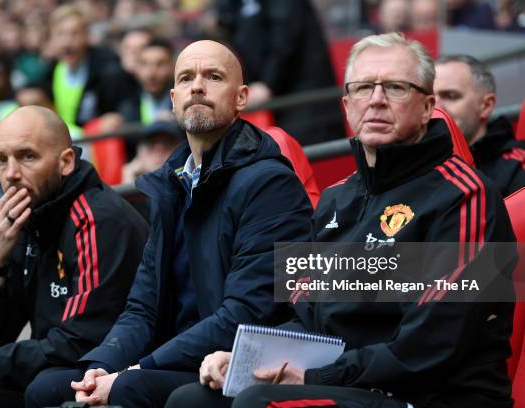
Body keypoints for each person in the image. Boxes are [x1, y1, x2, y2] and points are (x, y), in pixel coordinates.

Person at [167, 32, 516, 408]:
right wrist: (246, 357)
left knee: (259, 402)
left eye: (396, 88)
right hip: (352, 385)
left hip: (435, 395)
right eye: (364, 88)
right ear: (347, 105)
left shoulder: (466, 195)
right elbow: (306, 315)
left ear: (428, 106)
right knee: (192, 399)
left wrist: (318, 376)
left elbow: (432, 342)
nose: (377, 100)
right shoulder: (335, 199)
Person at [24, 39, 312, 408]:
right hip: (174, 358)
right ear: (173, 99)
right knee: (46, 388)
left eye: (213, 76)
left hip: (233, 363)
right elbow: (142, 307)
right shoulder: (170, 183)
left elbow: (245, 314)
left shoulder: (270, 183)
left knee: (131, 389)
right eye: (187, 78)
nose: (197, 86)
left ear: (241, 98)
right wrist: (102, 366)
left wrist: (135, 369)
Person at [0, 106, 148, 407]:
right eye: (1, 160)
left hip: (117, 366)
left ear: (66, 161)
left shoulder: (97, 219)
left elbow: (83, 338)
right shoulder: (27, 218)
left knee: (42, 388)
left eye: (27, 156)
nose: (11, 174)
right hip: (63, 362)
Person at [215, 0, 345, 145]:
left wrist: (267, 84)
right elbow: (229, 26)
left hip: (305, 102)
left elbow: (285, 36)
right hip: (273, 103)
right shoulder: (232, 6)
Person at [434, 54, 525, 197]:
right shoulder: (415, 163)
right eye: (430, 99)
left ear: (486, 106)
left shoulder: (517, 168)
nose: (436, 109)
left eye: (451, 96)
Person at [43, 5, 120, 129]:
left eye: (74, 34)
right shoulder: (51, 69)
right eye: (60, 34)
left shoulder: (107, 68)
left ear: (86, 35)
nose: (67, 42)